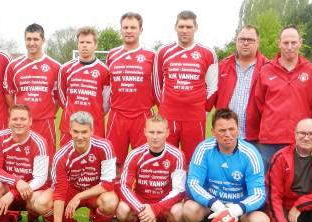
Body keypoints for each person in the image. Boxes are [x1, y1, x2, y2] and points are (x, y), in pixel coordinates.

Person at [182, 108, 269, 222]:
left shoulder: (251, 153)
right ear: (213, 131)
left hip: (240, 209)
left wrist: (235, 209)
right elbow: (193, 183)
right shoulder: (203, 149)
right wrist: (217, 205)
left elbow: (259, 194)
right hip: (213, 206)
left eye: (231, 129)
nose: (227, 134)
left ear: (238, 130)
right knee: (189, 210)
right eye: (222, 130)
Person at [47, 111, 117, 222]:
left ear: (92, 131)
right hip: (71, 190)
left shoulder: (105, 147)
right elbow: (59, 192)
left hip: (95, 191)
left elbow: (108, 184)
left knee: (110, 201)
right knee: (42, 202)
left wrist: (79, 197)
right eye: (76, 131)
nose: (80, 136)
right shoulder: (61, 156)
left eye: (84, 132)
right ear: (70, 131)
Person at [254, 25, 312, 169]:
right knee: (268, 184)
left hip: (301, 139)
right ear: (279, 43)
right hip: (270, 141)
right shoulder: (266, 70)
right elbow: (260, 102)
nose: (289, 47)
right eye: (285, 43)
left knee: (297, 187)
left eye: (293, 42)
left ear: (300, 42)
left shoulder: (311, 70)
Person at [116, 114, 187, 222]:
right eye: (151, 132)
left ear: (167, 133)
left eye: (159, 132)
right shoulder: (135, 154)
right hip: (141, 204)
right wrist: (143, 209)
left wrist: (155, 208)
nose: (155, 137)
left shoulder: (177, 155)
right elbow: (124, 186)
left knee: (179, 212)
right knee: (121, 210)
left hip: (165, 205)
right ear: (145, 132)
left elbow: (179, 190)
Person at [155, 10, 218, 165]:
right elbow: (156, 84)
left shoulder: (207, 53)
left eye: (188, 27)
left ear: (196, 28)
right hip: (168, 116)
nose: (184, 30)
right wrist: (163, 108)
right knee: (166, 159)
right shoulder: (163, 51)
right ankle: (166, 189)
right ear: (175, 27)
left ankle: (189, 189)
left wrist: (203, 110)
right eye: (181, 26)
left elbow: (213, 87)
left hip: (194, 117)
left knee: (193, 161)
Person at [0, 104, 50, 222]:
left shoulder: (40, 142)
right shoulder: (0, 137)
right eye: (15, 119)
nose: (18, 123)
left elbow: (41, 178)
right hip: (10, 185)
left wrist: (13, 193)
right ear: (8, 120)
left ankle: (32, 220)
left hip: (30, 189)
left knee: (38, 201)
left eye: (23, 119)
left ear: (30, 121)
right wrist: (16, 182)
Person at [106, 12, 156, 170]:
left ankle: (141, 193)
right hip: (117, 115)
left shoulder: (151, 55)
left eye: (133, 27)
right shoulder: (112, 55)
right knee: (115, 162)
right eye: (125, 27)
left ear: (141, 30)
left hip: (142, 115)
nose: (129, 31)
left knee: (144, 161)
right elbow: (108, 85)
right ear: (120, 30)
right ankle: (115, 193)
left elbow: (158, 85)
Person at [4, 23, 60, 155]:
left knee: (47, 159)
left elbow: (58, 97)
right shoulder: (14, 66)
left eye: (36, 39)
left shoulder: (56, 66)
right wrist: (19, 115)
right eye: (28, 39)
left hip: (45, 123)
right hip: (21, 123)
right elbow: (8, 94)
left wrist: (47, 113)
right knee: (20, 159)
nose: (32, 43)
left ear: (43, 40)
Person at [206, 25, 267, 142]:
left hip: (255, 137)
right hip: (225, 135)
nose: (245, 43)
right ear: (236, 41)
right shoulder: (222, 66)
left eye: (250, 40)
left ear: (258, 42)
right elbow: (209, 96)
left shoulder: (268, 68)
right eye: (242, 39)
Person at [57, 27, 110, 145]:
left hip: (94, 127)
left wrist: (95, 113)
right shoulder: (65, 69)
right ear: (77, 44)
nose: (84, 45)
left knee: (93, 162)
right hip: (69, 126)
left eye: (88, 42)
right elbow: (62, 98)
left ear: (95, 45)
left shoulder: (104, 71)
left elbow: (106, 103)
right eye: (81, 42)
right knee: (67, 161)